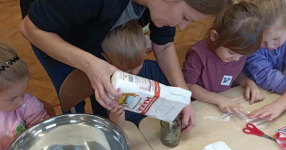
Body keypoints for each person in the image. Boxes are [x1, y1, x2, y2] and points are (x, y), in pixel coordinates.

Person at [19, 0, 232, 133]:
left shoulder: (158, 7)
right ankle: (79, 132)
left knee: (104, 85)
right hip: (52, 33)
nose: (183, 26)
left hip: (96, 31)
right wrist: (91, 64)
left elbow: (165, 45)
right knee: (76, 90)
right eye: (185, 17)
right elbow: (30, 28)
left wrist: (182, 95)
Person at [182, 1, 264, 115]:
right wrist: (219, 99)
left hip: (224, 100)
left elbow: (232, 73)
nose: (236, 59)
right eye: (231, 52)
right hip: (198, 105)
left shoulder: (238, 52)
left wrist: (247, 82)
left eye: (242, 55)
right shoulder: (198, 54)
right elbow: (188, 85)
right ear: (214, 36)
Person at [0, 42, 48, 150]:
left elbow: (43, 131)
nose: (21, 101)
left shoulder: (29, 105)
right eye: (12, 98)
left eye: (24, 92)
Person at [101, 20, 170, 127]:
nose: (134, 74)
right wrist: (116, 117)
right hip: (130, 131)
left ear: (145, 51)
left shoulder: (154, 69)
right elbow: (115, 126)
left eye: (139, 65)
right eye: (126, 71)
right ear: (107, 60)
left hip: (156, 125)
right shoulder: (108, 86)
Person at [244, 0, 286, 121]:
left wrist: (280, 105)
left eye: (275, 38)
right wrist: (279, 105)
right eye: (261, 40)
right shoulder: (251, 48)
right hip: (246, 91)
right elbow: (267, 77)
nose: (270, 45)